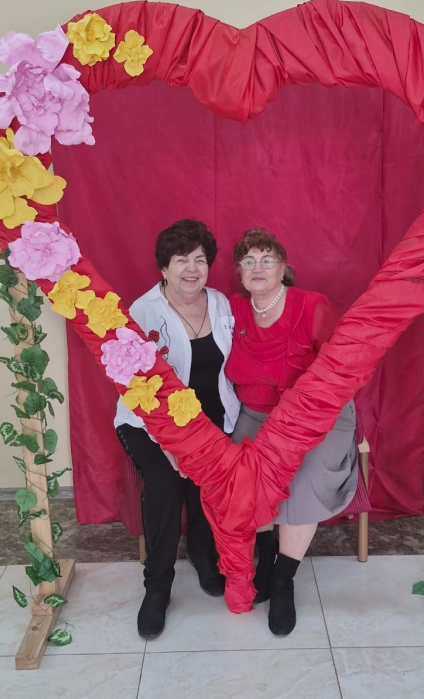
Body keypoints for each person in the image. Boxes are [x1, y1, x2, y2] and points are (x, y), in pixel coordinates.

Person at [226, 227, 358, 636]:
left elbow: (340, 372)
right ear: (239, 272)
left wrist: (307, 418)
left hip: (318, 413)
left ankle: (284, 579)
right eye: (249, 261)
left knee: (304, 474)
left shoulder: (312, 305)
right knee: (244, 472)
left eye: (267, 259)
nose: (258, 267)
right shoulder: (232, 309)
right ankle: (266, 559)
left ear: (283, 268)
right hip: (257, 414)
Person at [115, 219, 240, 639]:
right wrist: (169, 442)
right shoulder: (142, 311)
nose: (191, 268)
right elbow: (135, 386)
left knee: (211, 478)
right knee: (167, 484)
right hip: (148, 422)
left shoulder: (221, 304)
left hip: (212, 419)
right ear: (164, 268)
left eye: (200, 259)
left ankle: (203, 556)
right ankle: (157, 586)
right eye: (181, 259)